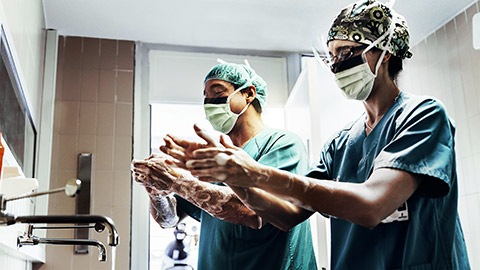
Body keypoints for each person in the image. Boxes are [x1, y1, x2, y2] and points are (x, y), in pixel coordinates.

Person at [180, 1, 471, 269]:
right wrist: (236, 178)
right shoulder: (341, 144)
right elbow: (286, 215)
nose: (336, 65)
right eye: (331, 56)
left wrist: (255, 173)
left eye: (346, 53)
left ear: (384, 53)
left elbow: (372, 205)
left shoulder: (423, 115)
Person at [132, 61, 317, 270]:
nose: (210, 102)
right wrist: (157, 191)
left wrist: (175, 181)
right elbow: (169, 219)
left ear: (249, 93)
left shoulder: (282, 144)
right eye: (206, 96)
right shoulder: (215, 159)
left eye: (217, 92)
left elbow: (254, 213)